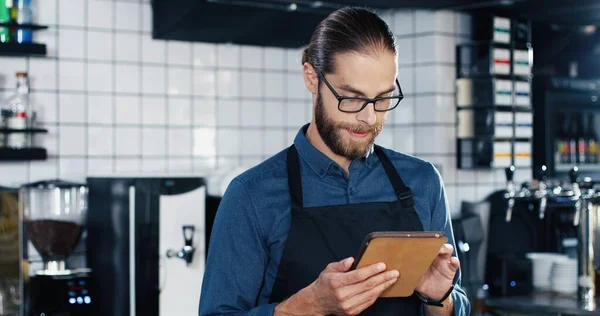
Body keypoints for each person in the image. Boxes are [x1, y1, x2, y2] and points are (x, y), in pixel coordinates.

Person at [198, 6, 470, 316]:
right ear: (312, 78)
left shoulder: (422, 181)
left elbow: (455, 302)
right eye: (351, 97)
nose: (368, 118)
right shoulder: (252, 195)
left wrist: (441, 300)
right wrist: (308, 306)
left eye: (382, 99)